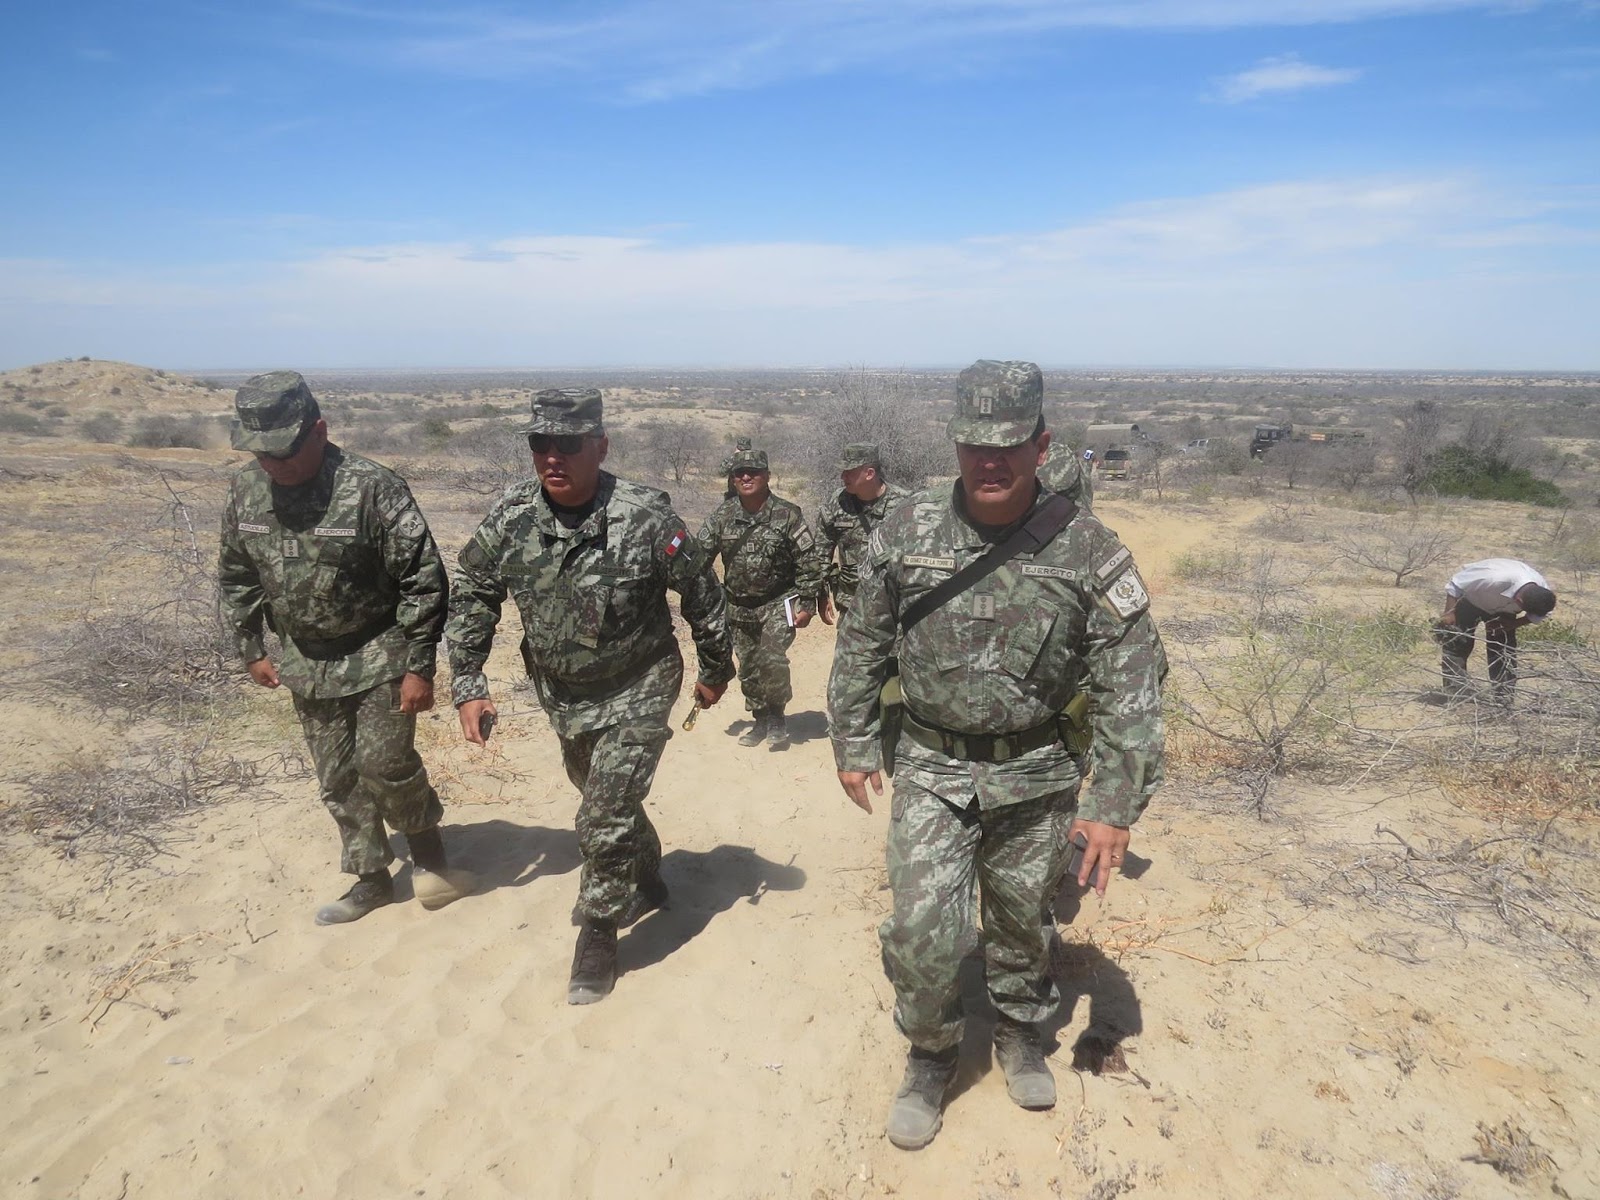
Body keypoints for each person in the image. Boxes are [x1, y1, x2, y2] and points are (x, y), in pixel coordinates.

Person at [827, 359, 1166, 1151]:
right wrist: (852, 737)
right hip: (932, 767)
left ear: (1040, 446)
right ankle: (930, 1054)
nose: (989, 462)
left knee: (1020, 923)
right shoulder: (905, 529)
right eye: (974, 446)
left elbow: (1133, 681)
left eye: (1008, 447)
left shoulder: (1088, 549)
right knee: (922, 928)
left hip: (1038, 773)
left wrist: (1113, 804)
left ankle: (1017, 1032)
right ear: (955, 444)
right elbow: (862, 641)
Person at [446, 388, 734, 1004]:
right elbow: (472, 589)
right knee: (601, 795)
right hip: (562, 692)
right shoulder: (511, 517)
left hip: (640, 683)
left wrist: (716, 667)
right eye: (540, 444)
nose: (553, 457)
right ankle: (646, 872)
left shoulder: (646, 517)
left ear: (599, 447)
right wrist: (469, 681)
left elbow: (702, 595)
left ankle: (599, 932)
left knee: (602, 812)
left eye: (568, 444)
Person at [217, 371, 468, 925]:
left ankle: (428, 851)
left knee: (384, 763)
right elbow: (236, 575)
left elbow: (424, 580)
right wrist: (250, 646)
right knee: (336, 775)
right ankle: (371, 877)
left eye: (283, 451)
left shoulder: (372, 487)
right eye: (260, 452)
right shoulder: (245, 491)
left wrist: (419, 665)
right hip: (306, 658)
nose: (273, 465)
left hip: (381, 647)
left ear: (319, 431)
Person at [695, 445, 824, 749]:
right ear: (733, 479)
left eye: (753, 472)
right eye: (740, 473)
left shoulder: (788, 515)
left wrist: (807, 603)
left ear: (767, 476)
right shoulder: (723, 516)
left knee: (771, 657)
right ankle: (760, 719)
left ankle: (777, 717)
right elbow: (698, 558)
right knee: (749, 666)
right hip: (738, 606)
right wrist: (704, 595)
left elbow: (808, 561)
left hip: (779, 602)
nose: (746, 477)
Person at [1435, 558, 1557, 703]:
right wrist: (1449, 613)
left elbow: (1542, 614)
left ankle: (1503, 701)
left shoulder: (1542, 592)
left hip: (1504, 613)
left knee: (1503, 653)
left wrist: (1513, 623)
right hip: (1472, 602)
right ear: (1519, 601)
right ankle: (1455, 694)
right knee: (1456, 644)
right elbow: (1455, 584)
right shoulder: (1494, 577)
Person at [815, 443, 912, 625]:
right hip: (851, 607)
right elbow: (820, 553)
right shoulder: (837, 503)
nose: (843, 476)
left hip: (895, 608)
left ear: (869, 473)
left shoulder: (904, 504)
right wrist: (821, 595)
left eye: (849, 471)